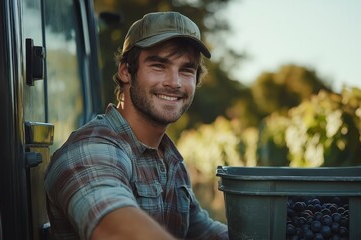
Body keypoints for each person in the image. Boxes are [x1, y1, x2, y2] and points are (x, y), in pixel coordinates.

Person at [44, 11, 228, 240]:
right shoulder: (90, 150)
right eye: (159, 65)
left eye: (186, 69)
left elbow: (203, 231)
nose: (174, 82)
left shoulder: (171, 163)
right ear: (125, 71)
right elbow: (116, 231)